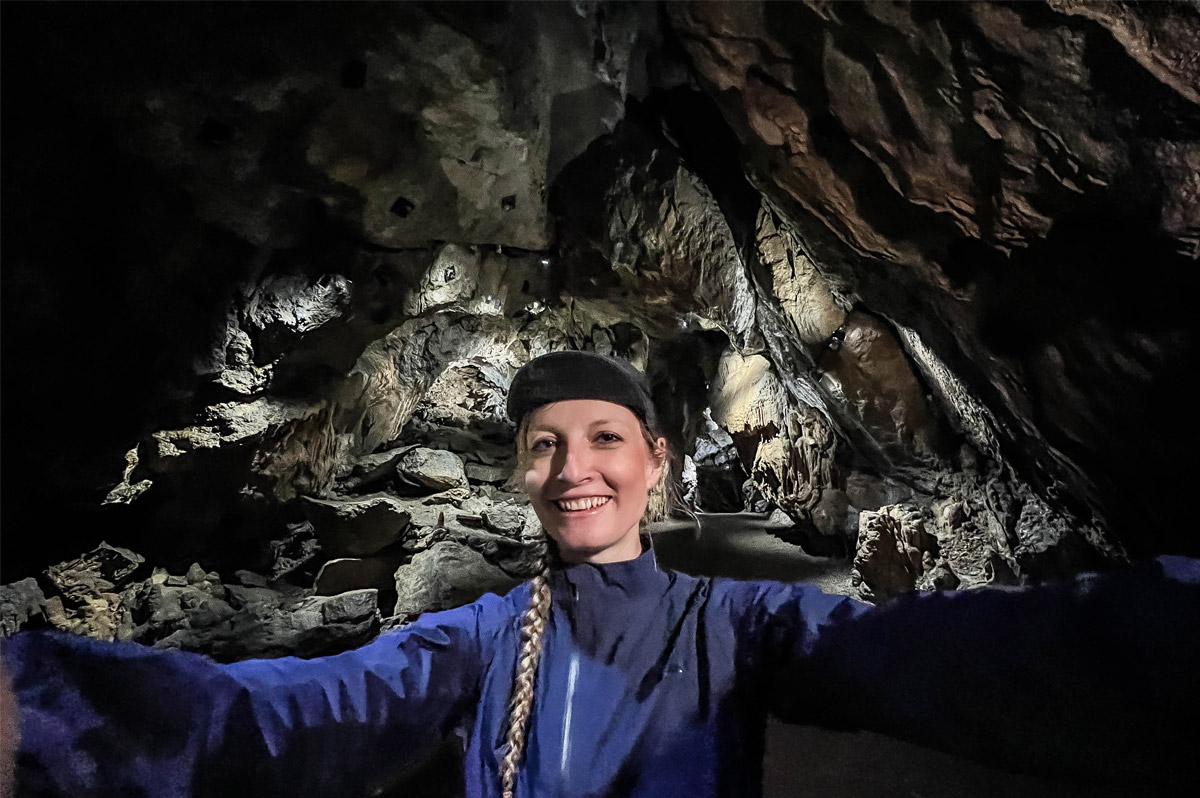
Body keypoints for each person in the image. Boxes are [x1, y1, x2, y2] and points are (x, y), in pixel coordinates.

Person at [1, 350, 1198, 797]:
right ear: (522, 474)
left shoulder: (739, 622)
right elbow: (300, 714)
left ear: (657, 465)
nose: (576, 468)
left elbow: (956, 659)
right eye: (545, 445)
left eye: (606, 438)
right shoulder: (476, 638)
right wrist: (51, 713)